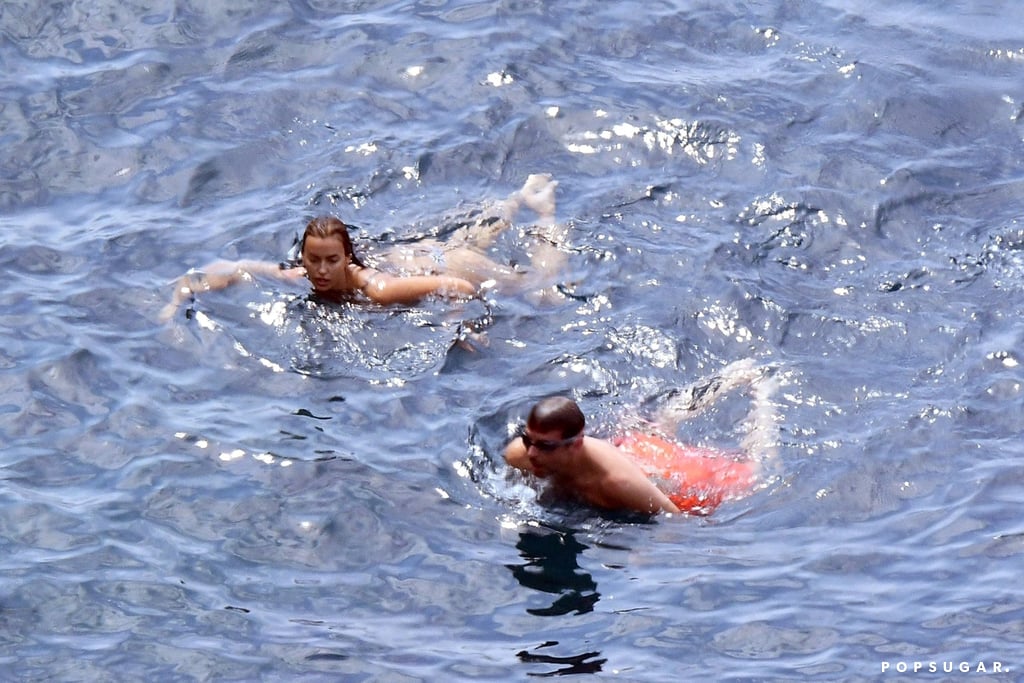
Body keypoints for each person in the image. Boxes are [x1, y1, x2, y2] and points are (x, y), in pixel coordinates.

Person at [160, 174, 564, 321]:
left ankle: (544, 212)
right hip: (425, 255)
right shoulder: (298, 275)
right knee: (467, 238)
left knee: (541, 290)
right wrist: (182, 291)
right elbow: (238, 267)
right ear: (302, 257)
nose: (320, 271)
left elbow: (460, 288)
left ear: (347, 258)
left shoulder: (377, 290)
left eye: (331, 261)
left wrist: (457, 324)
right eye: (313, 260)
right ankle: (518, 197)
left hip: (454, 267)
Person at [504, 359, 780, 516]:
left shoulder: (618, 482)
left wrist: (643, 555)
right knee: (658, 429)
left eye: (545, 446)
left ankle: (761, 390)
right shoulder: (520, 455)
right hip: (632, 447)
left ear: (576, 443)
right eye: (529, 441)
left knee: (754, 471)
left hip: (662, 473)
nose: (532, 453)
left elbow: (675, 521)